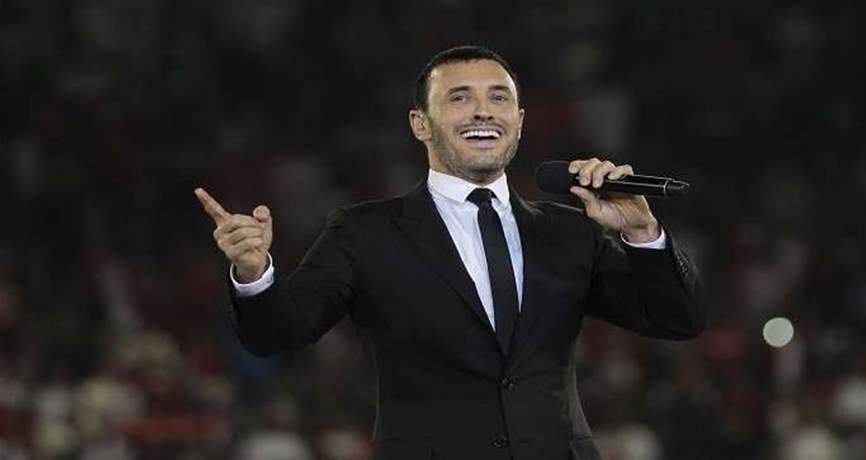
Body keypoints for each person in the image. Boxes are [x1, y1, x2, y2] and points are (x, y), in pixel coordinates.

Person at [195, 45, 703, 460]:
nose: (483, 110)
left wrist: (643, 232)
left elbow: (676, 319)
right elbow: (278, 333)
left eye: (498, 98)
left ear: (519, 121)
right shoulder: (364, 232)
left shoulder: (569, 230)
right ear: (420, 123)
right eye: (460, 97)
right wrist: (254, 272)